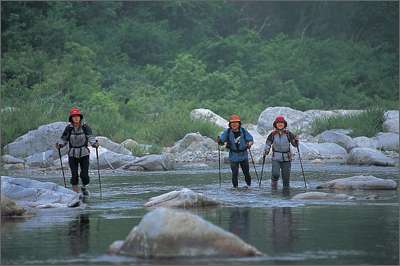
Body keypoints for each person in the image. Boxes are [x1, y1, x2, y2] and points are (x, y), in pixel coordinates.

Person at [55, 107, 99, 196]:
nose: (76, 118)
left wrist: (94, 144)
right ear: (71, 118)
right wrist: (60, 145)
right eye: (74, 116)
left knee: (84, 176)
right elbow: (64, 139)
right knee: (74, 175)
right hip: (72, 154)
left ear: (80, 117)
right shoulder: (69, 128)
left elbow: (90, 137)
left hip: (84, 153)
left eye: (77, 116)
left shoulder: (85, 127)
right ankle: (76, 194)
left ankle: (83, 187)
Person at [217, 115, 254, 188]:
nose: (234, 124)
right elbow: (221, 141)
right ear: (230, 124)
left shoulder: (243, 131)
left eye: (236, 122)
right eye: (232, 123)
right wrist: (219, 141)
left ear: (239, 123)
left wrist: (249, 144)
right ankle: (235, 188)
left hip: (243, 155)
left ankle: (249, 186)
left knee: (246, 173)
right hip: (233, 155)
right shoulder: (227, 132)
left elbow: (251, 140)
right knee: (234, 173)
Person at [263, 115, 299, 189]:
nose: (280, 124)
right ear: (275, 124)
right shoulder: (272, 134)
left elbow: (295, 145)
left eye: (281, 123)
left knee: (286, 179)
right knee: (275, 174)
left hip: (287, 158)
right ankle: (274, 184)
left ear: (284, 124)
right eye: (278, 123)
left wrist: (296, 141)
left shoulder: (289, 134)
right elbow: (268, 143)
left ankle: (286, 194)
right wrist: (266, 151)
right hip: (276, 157)